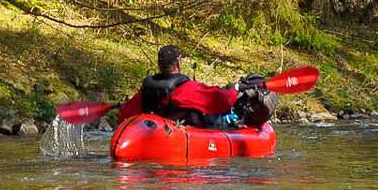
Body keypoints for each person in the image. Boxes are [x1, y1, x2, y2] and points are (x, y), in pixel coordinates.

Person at [109, 46, 272, 130]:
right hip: (189, 133)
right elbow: (222, 101)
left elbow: (124, 115)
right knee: (226, 116)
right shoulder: (186, 88)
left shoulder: (146, 90)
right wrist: (234, 88)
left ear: (159, 65)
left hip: (158, 133)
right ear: (179, 64)